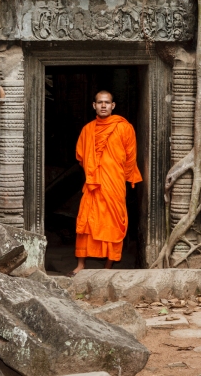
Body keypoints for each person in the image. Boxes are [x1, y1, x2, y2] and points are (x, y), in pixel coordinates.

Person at [70, 90, 141, 275]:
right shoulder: (87, 130)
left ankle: (108, 267)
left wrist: (117, 176)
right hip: (93, 185)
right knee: (86, 222)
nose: (103, 105)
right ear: (94, 105)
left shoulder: (124, 128)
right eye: (100, 102)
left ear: (113, 106)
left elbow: (131, 157)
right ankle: (80, 265)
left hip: (114, 184)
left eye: (107, 102)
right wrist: (94, 169)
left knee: (113, 222)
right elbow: (81, 156)